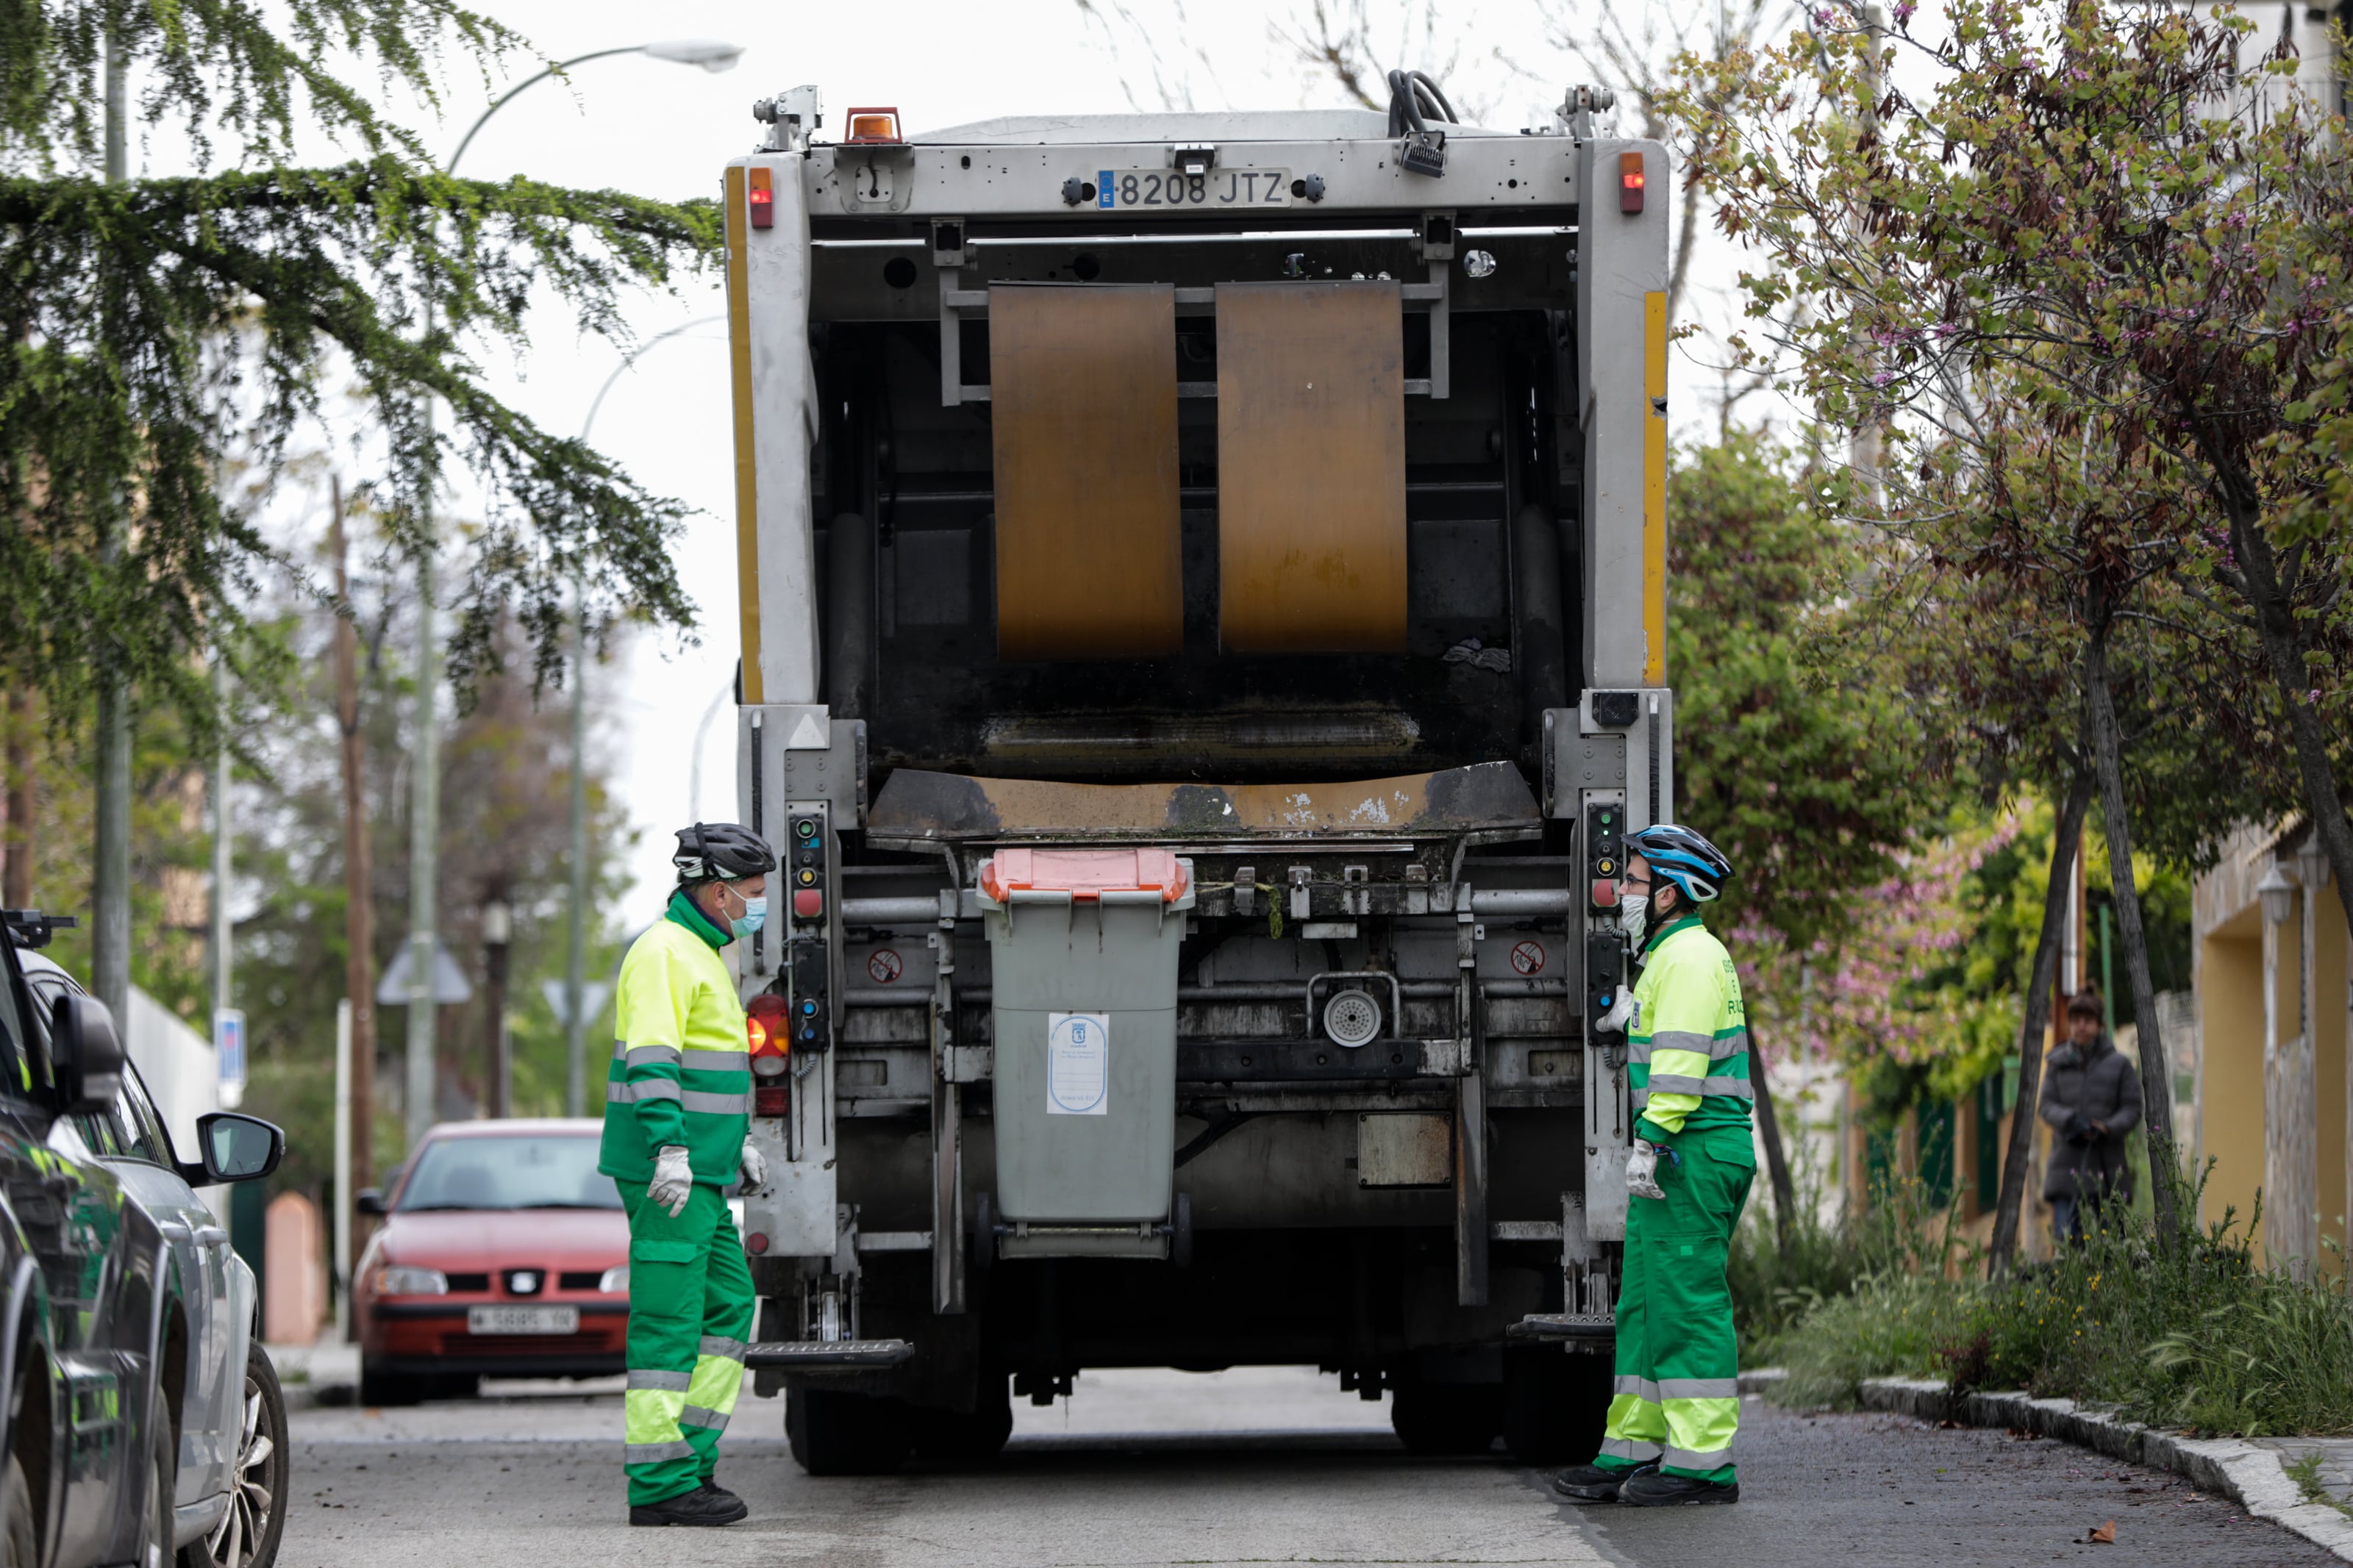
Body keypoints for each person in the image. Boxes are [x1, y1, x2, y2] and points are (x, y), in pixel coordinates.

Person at [1553, 823, 1752, 1508]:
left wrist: (1651, 1140)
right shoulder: (1672, 957)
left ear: (1669, 894)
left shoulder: (1690, 958)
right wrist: (1632, 1012)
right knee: (1643, 1303)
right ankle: (1630, 1448)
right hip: (1680, 1150)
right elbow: (1670, 1034)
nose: (1624, 891)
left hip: (1689, 1148)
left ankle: (1704, 1466)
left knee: (1688, 1304)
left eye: (1635, 881)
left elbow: (1683, 1064)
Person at [601, 823, 775, 1528]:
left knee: (728, 1307)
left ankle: (688, 1460)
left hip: (701, 1173)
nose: (759, 906)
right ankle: (661, 1485)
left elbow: (712, 1071)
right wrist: (671, 1150)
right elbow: (653, 1060)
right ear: (719, 890)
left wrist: (734, 1144)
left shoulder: (702, 952)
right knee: (669, 1327)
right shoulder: (663, 953)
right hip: (666, 1175)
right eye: (755, 894)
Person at [2040, 989, 2142, 1244]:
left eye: (2087, 1020)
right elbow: (2046, 1105)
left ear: (2099, 1024)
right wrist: (2071, 1120)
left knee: (2111, 1251)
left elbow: (2132, 1108)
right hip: (2066, 1171)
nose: (2081, 1026)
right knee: (2067, 1249)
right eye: (2075, 1020)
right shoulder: (2057, 1063)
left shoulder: (2119, 1065)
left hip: (2107, 1173)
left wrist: (2107, 1128)